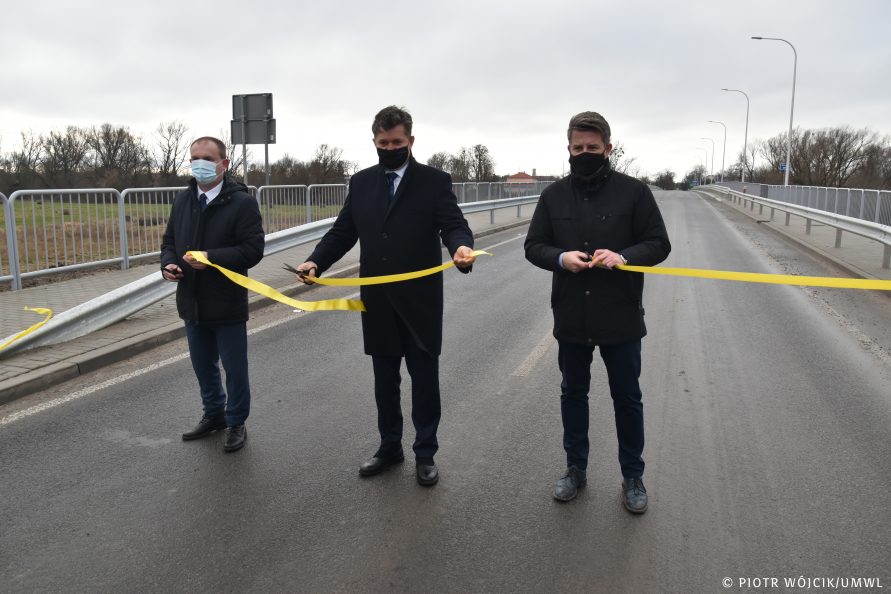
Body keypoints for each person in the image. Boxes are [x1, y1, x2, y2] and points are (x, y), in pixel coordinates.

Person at [296, 106, 476, 486]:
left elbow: (453, 224)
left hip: (419, 303)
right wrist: (315, 262)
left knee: (424, 382)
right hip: (377, 302)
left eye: (397, 142)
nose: (390, 148)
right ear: (374, 141)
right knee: (385, 380)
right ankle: (389, 446)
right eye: (383, 142)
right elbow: (343, 232)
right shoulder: (361, 183)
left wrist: (461, 249)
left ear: (411, 140)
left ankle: (425, 453)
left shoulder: (434, 181)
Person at [524, 112, 671, 512]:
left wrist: (624, 256)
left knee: (627, 397)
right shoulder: (553, 195)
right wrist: (559, 257)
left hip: (620, 315)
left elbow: (659, 243)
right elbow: (533, 245)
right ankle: (575, 469)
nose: (585, 154)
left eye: (592, 148)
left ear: (609, 148)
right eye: (578, 148)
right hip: (571, 315)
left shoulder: (635, 193)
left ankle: (633, 476)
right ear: (568, 149)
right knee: (573, 394)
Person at [160, 136, 265, 453]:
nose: (199, 165)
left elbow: (252, 251)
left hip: (226, 301)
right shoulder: (183, 200)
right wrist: (168, 264)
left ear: (224, 164)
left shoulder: (241, 203)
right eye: (194, 158)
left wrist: (211, 258)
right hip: (191, 300)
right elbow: (169, 241)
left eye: (206, 158)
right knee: (202, 365)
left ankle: (236, 422)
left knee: (234, 369)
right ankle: (214, 415)